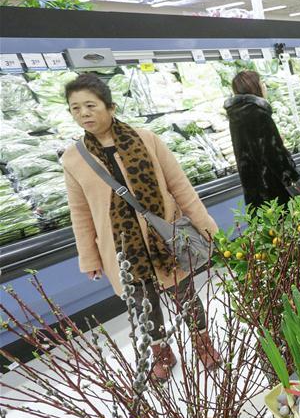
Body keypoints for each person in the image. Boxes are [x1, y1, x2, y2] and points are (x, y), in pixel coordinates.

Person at [61, 73, 220, 382]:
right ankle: (161, 352)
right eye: (75, 108)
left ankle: (204, 344)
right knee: (142, 303)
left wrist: (205, 226)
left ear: (111, 106)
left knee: (184, 292)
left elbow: (180, 186)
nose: (84, 114)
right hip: (121, 246)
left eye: (90, 106)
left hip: (165, 235)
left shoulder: (147, 139)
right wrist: (90, 258)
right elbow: (80, 214)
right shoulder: (73, 159)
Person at [225, 70, 300, 211]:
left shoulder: (235, 116)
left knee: (269, 229)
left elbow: (249, 152)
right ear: (255, 87)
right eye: (262, 83)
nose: (264, 86)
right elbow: (277, 157)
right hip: (274, 191)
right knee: (290, 228)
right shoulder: (259, 114)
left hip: (254, 192)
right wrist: (299, 184)